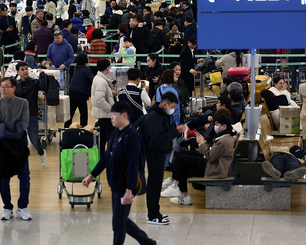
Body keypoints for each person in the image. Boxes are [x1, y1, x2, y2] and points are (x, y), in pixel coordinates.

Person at [82, 102, 158, 245]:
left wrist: (129, 190)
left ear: (124, 116)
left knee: (118, 224)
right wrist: (91, 175)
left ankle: (146, 242)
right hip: (115, 184)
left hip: (125, 186)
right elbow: (105, 157)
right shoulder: (115, 133)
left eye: (114, 115)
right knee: (121, 220)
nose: (111, 118)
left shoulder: (132, 137)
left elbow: (133, 164)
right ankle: (148, 242)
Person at [161, 114, 236, 205]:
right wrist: (203, 149)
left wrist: (202, 143)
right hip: (213, 164)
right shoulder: (225, 137)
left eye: (217, 125)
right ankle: (177, 187)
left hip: (214, 169)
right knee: (182, 155)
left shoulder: (224, 140)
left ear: (224, 126)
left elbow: (211, 156)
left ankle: (178, 188)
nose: (215, 127)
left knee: (183, 160)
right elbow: (214, 153)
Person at [139, 91, 185, 225]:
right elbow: (158, 138)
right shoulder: (154, 117)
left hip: (157, 152)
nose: (172, 110)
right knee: (154, 183)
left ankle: (155, 212)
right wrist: (176, 131)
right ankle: (153, 215)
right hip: (153, 153)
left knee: (156, 183)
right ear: (165, 104)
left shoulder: (160, 115)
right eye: (172, 107)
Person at [0, 77, 33, 221]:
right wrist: (13, 126)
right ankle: (7, 207)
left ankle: (23, 206)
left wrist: (7, 126)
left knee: (25, 178)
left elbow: (24, 125)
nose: (2, 89)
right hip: (3, 147)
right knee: (3, 180)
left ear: (14, 88)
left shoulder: (23, 103)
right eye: (1, 86)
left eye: (6, 86)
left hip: (20, 145)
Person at [14, 62, 48, 166]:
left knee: (34, 140)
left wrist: (42, 74)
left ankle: (41, 153)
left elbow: (44, 87)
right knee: (19, 140)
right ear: (18, 72)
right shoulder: (16, 84)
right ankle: (21, 160)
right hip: (19, 116)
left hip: (32, 114)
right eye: (22, 69)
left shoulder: (34, 82)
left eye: (26, 69)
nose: (25, 71)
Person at [91, 59, 116, 160]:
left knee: (102, 140)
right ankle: (110, 159)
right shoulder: (101, 82)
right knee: (110, 138)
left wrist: (110, 91)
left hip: (103, 115)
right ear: (107, 68)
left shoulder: (100, 79)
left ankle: (102, 159)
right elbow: (100, 100)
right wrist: (111, 109)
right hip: (106, 115)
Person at [65, 53, 94, 128]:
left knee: (70, 112)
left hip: (72, 91)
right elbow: (92, 79)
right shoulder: (86, 69)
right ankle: (84, 128)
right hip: (80, 93)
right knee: (83, 112)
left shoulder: (76, 67)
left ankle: (66, 129)